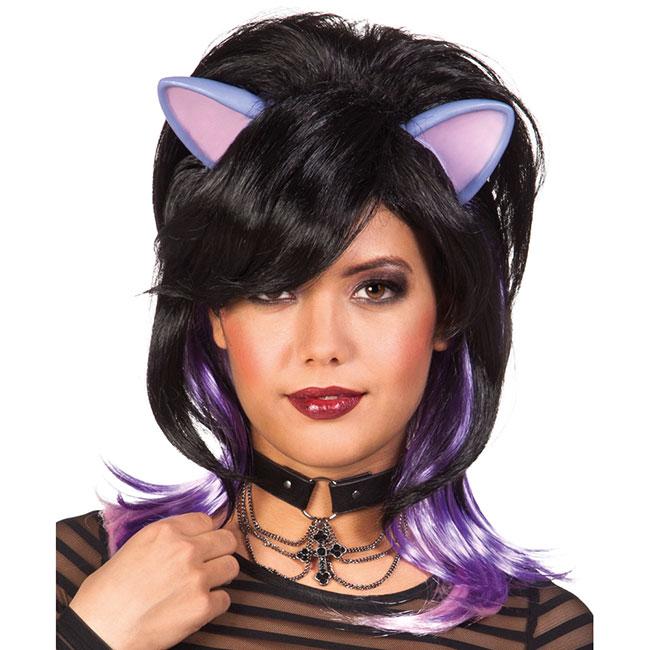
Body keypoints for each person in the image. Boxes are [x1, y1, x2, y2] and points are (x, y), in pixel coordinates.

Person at [55, 11, 593, 648]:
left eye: (375, 289)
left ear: (447, 311)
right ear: (216, 314)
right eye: (273, 289)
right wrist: (92, 635)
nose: (322, 347)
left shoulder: (536, 630)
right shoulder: (73, 571)